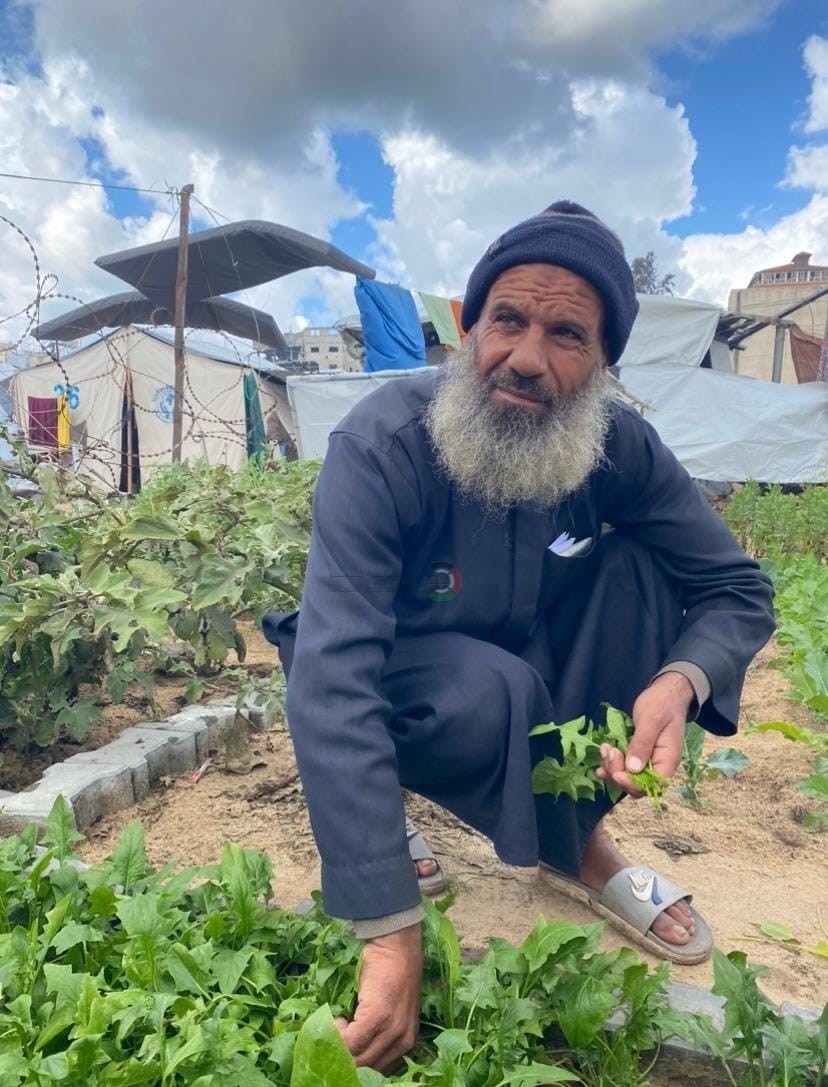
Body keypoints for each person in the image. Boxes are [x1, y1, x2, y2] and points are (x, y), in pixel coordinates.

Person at [263, 200, 775, 1073]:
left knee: (644, 577)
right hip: (404, 679)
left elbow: (736, 585)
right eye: (509, 319)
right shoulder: (382, 444)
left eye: (568, 334)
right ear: (468, 325)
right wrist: (388, 934)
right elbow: (335, 671)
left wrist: (681, 677)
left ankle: (577, 843)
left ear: (604, 361)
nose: (527, 359)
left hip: (526, 656)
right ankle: (379, 820)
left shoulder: (617, 448)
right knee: (486, 684)